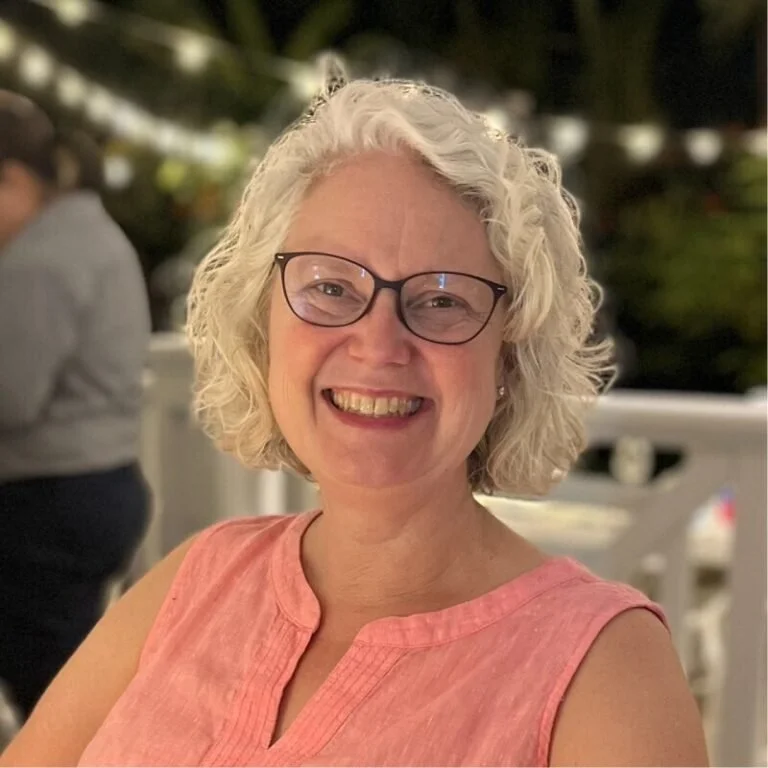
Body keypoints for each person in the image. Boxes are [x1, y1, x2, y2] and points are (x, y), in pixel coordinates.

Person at [1, 63, 708, 766]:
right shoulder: (199, 578)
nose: (378, 344)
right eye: (332, 287)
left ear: (509, 355)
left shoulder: (602, 668)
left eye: (441, 301)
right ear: (263, 322)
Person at [0, 92, 151, 720]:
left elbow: (8, 396)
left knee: (56, 706)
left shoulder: (38, 261)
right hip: (104, 483)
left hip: (46, 502)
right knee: (71, 682)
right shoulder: (93, 234)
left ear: (11, 178)